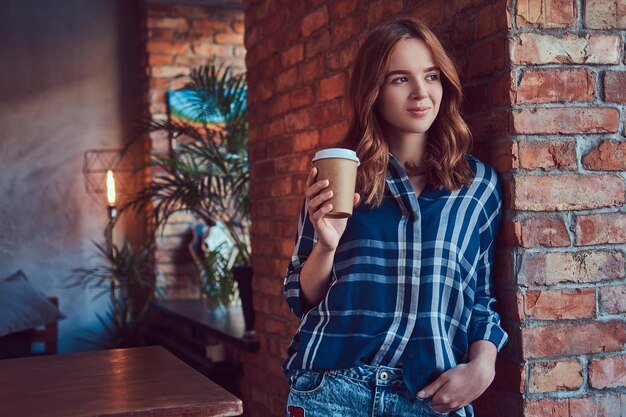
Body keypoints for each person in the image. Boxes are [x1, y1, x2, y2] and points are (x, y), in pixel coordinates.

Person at [283, 17, 508, 417]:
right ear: (374, 91)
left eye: (431, 76)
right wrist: (326, 245)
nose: (421, 93)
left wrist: (483, 366)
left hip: (429, 397)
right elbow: (301, 297)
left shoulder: (478, 186)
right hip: (332, 391)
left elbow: (481, 297)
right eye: (400, 79)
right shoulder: (340, 175)